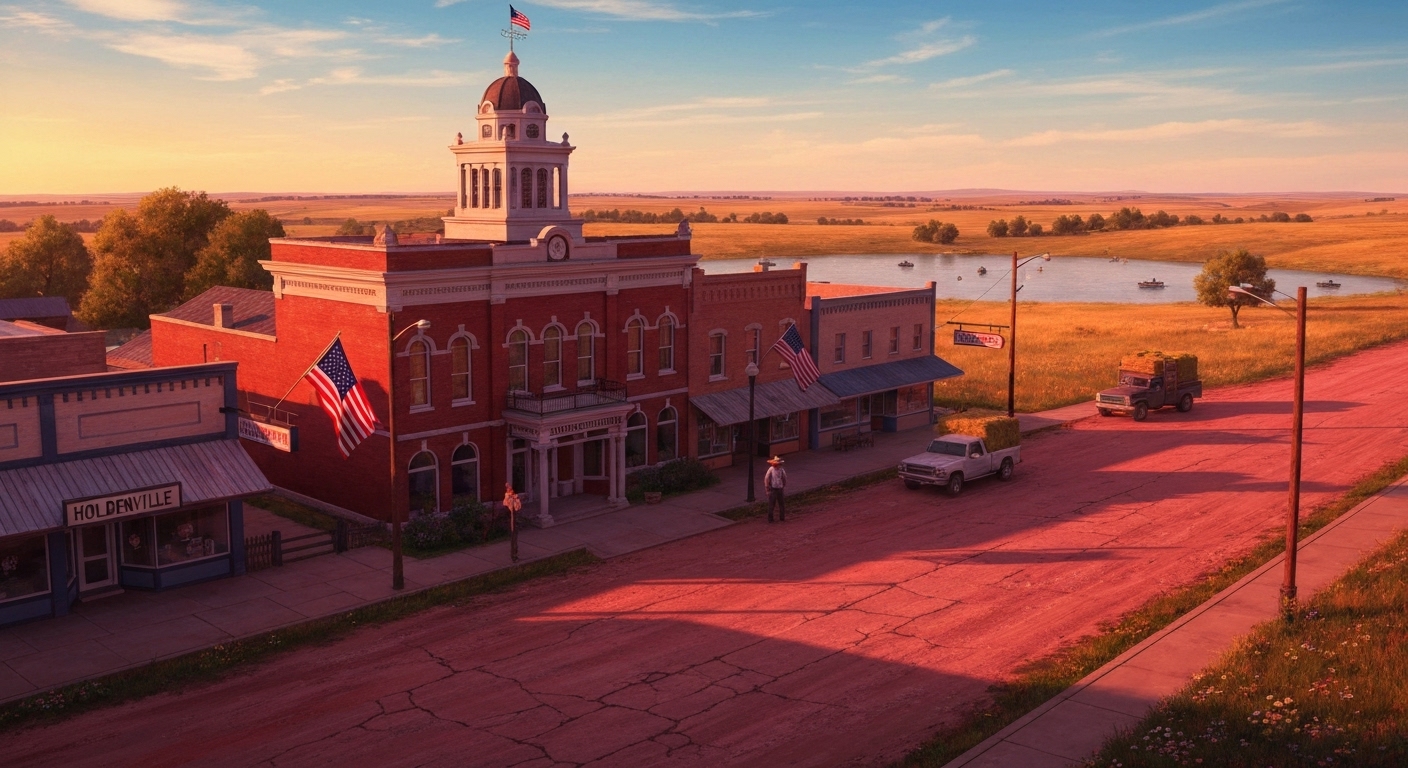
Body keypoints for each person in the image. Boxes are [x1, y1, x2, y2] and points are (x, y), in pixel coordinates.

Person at [764, 455, 787, 523]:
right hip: (773, 488)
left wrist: (783, 485)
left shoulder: (781, 470)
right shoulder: (771, 469)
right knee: (772, 504)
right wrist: (767, 488)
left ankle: (782, 517)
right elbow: (766, 479)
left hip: (779, 488)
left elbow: (784, 478)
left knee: (781, 504)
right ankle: (770, 518)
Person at [502, 483, 522, 562]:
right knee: (513, 539)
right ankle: (513, 556)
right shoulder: (507, 498)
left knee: (515, 540)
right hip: (511, 521)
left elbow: (518, 507)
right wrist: (511, 498)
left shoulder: (515, 498)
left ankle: (515, 554)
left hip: (515, 520)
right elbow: (505, 504)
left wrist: (516, 499)